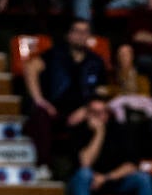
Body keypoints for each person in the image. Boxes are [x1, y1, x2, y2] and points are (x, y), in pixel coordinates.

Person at [22, 18, 109, 172]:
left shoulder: (96, 62)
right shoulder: (55, 54)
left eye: (85, 32)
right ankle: (44, 166)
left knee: (102, 119)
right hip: (55, 111)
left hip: (83, 112)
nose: (81, 35)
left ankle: (88, 170)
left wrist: (86, 109)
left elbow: (101, 93)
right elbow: (30, 68)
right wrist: (40, 100)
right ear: (69, 35)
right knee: (40, 115)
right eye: (77, 31)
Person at [67, 96, 152, 195]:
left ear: (108, 113)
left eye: (101, 112)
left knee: (143, 178)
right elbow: (85, 163)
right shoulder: (79, 130)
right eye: (93, 112)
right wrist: (99, 132)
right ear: (87, 114)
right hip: (88, 182)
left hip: (113, 180)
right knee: (84, 175)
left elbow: (131, 165)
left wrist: (106, 177)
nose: (98, 116)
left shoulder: (121, 131)